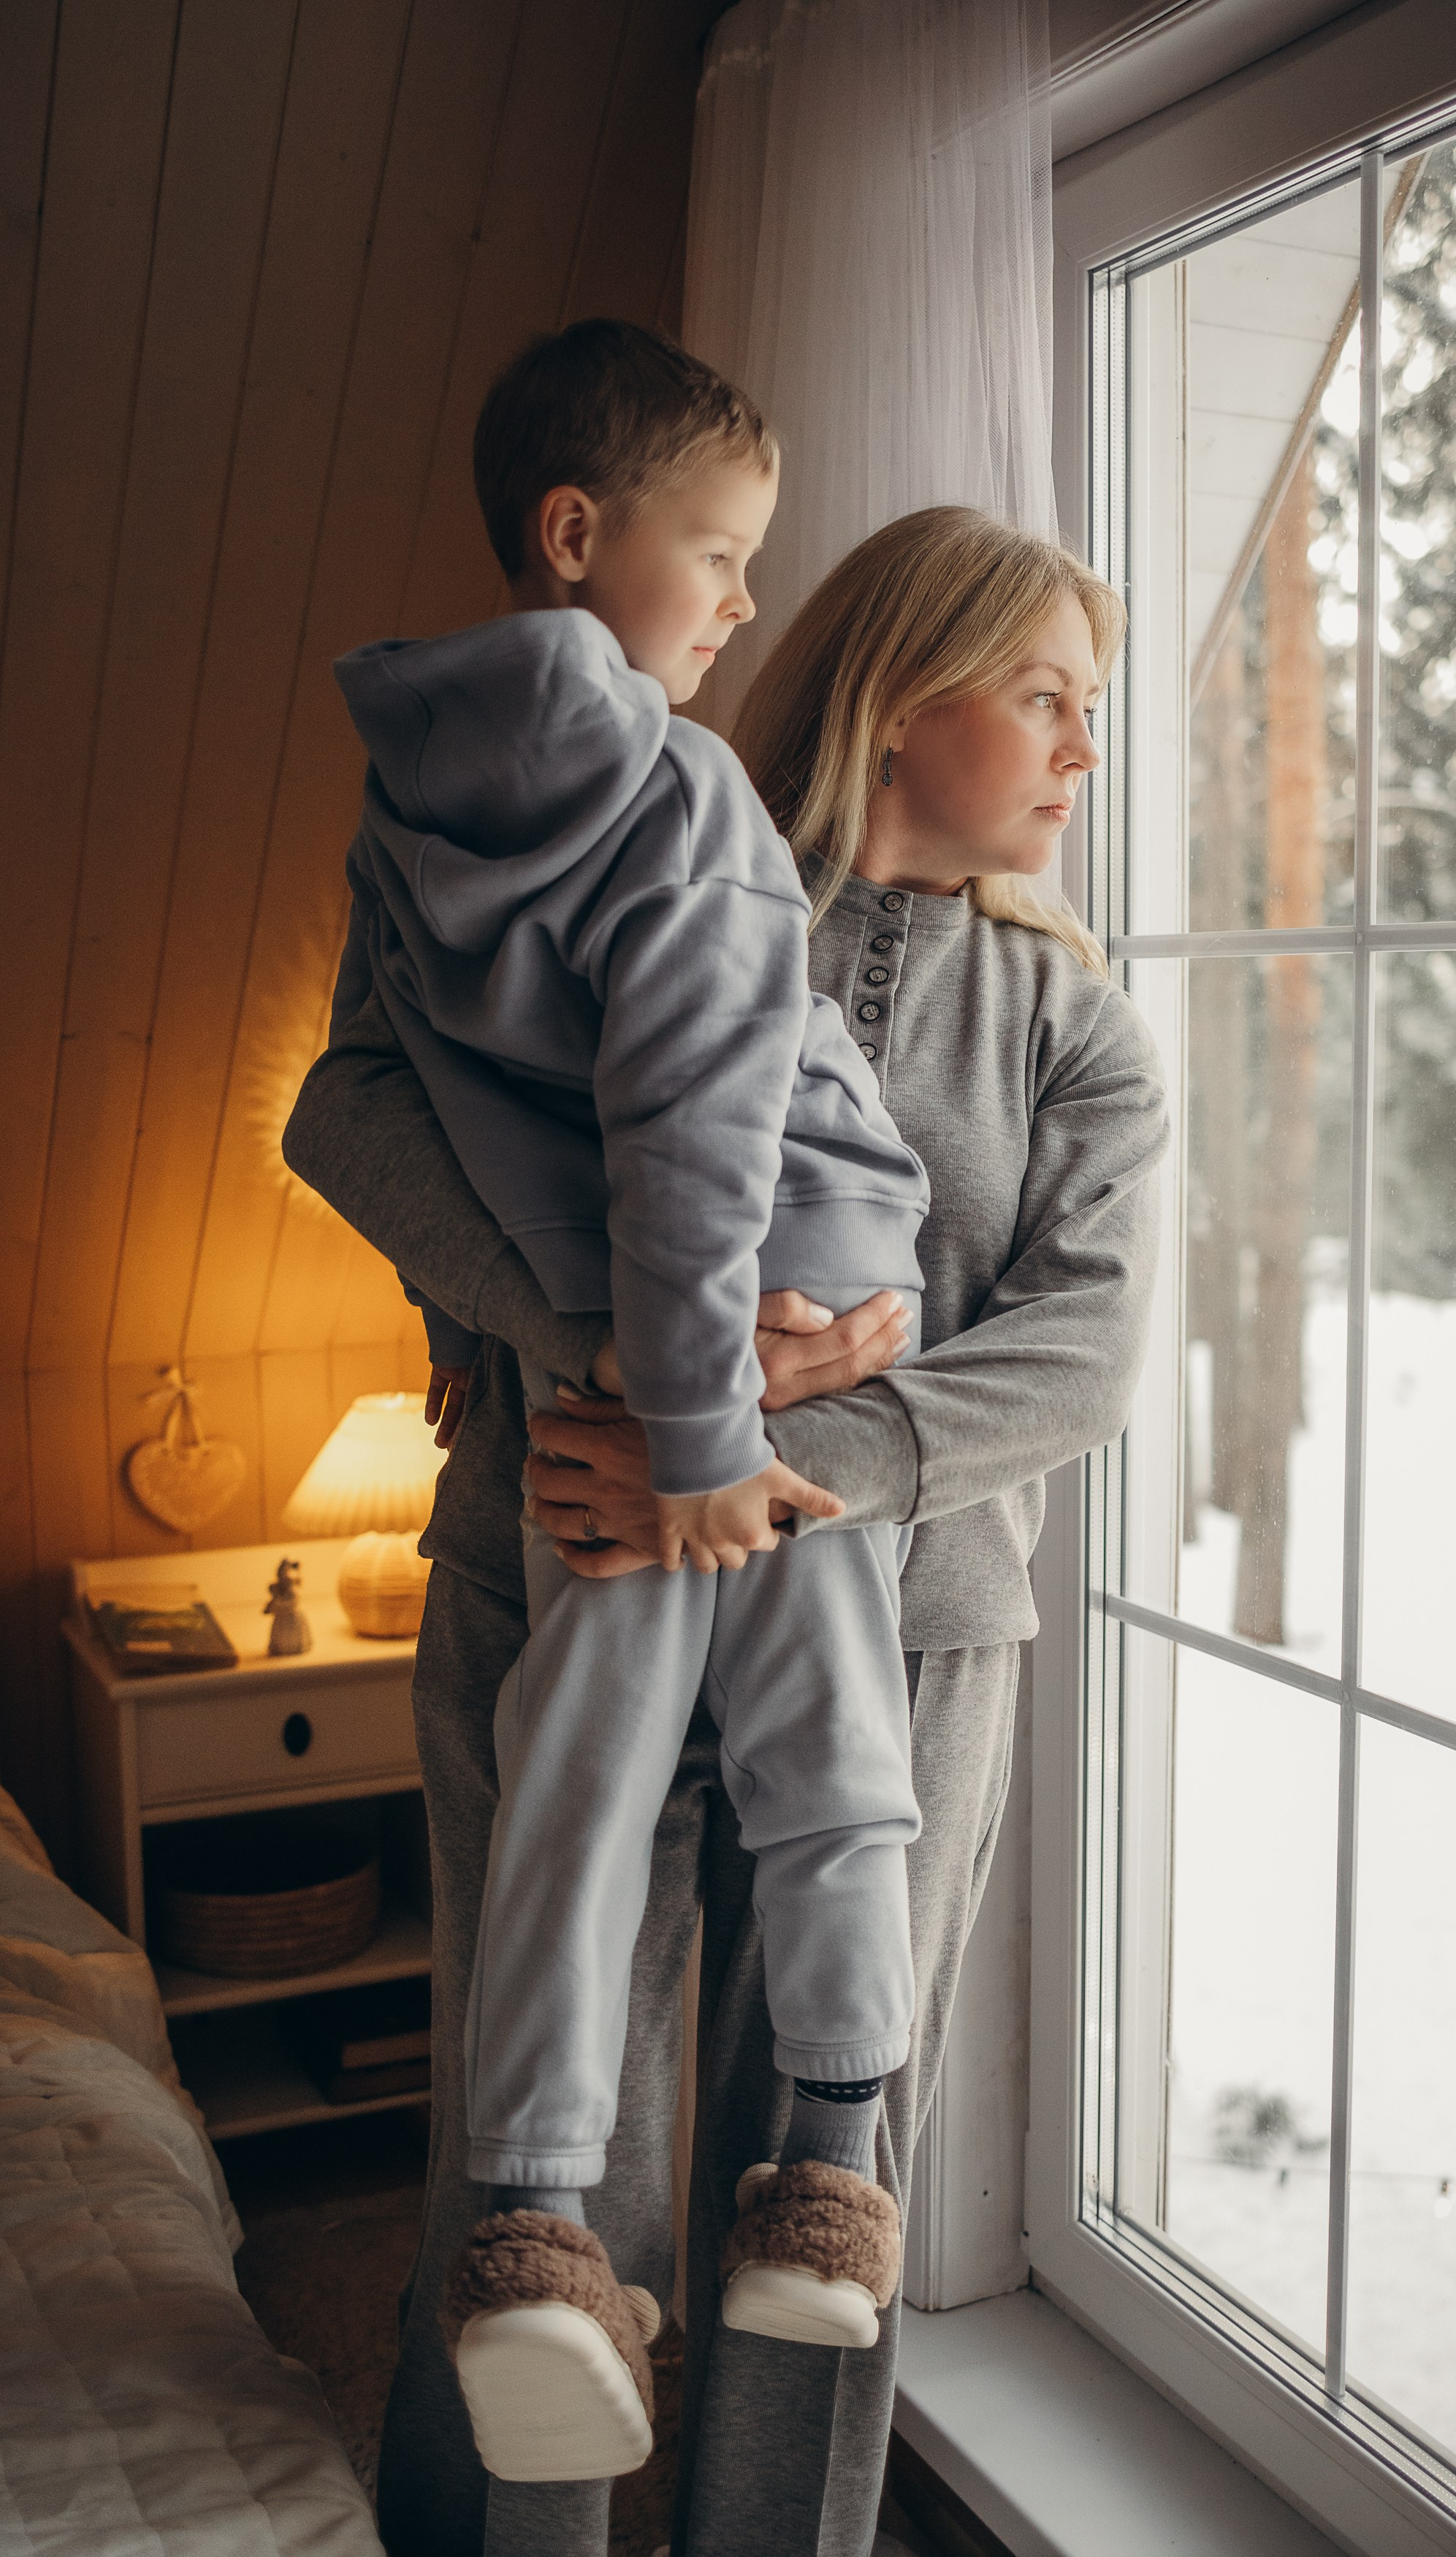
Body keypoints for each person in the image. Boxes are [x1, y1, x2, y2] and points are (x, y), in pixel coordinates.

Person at [283, 502, 1168, 2557]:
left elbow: (1086, 1356)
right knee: (532, 2147)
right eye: (1047, 694)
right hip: (558, 1557)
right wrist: (614, 1355)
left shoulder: (1075, 1028)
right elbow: (349, 1103)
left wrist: (789, 1452)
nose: (1078, 752)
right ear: (897, 679)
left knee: (819, 2182)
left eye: (1091, 712)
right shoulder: (592, 825)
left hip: (913, 1629)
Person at [327, 317, 942, 2483]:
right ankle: (828, 2179)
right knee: (840, 1771)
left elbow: (428, 1108)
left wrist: (600, 1349)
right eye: (724, 554)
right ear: (579, 537)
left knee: (573, 1810)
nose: (746, 603)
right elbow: (696, 1121)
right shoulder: (677, 790)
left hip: (639, 1376)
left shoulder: (411, 803)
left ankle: (529, 2235)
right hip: (715, 1384)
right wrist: (694, 1427)